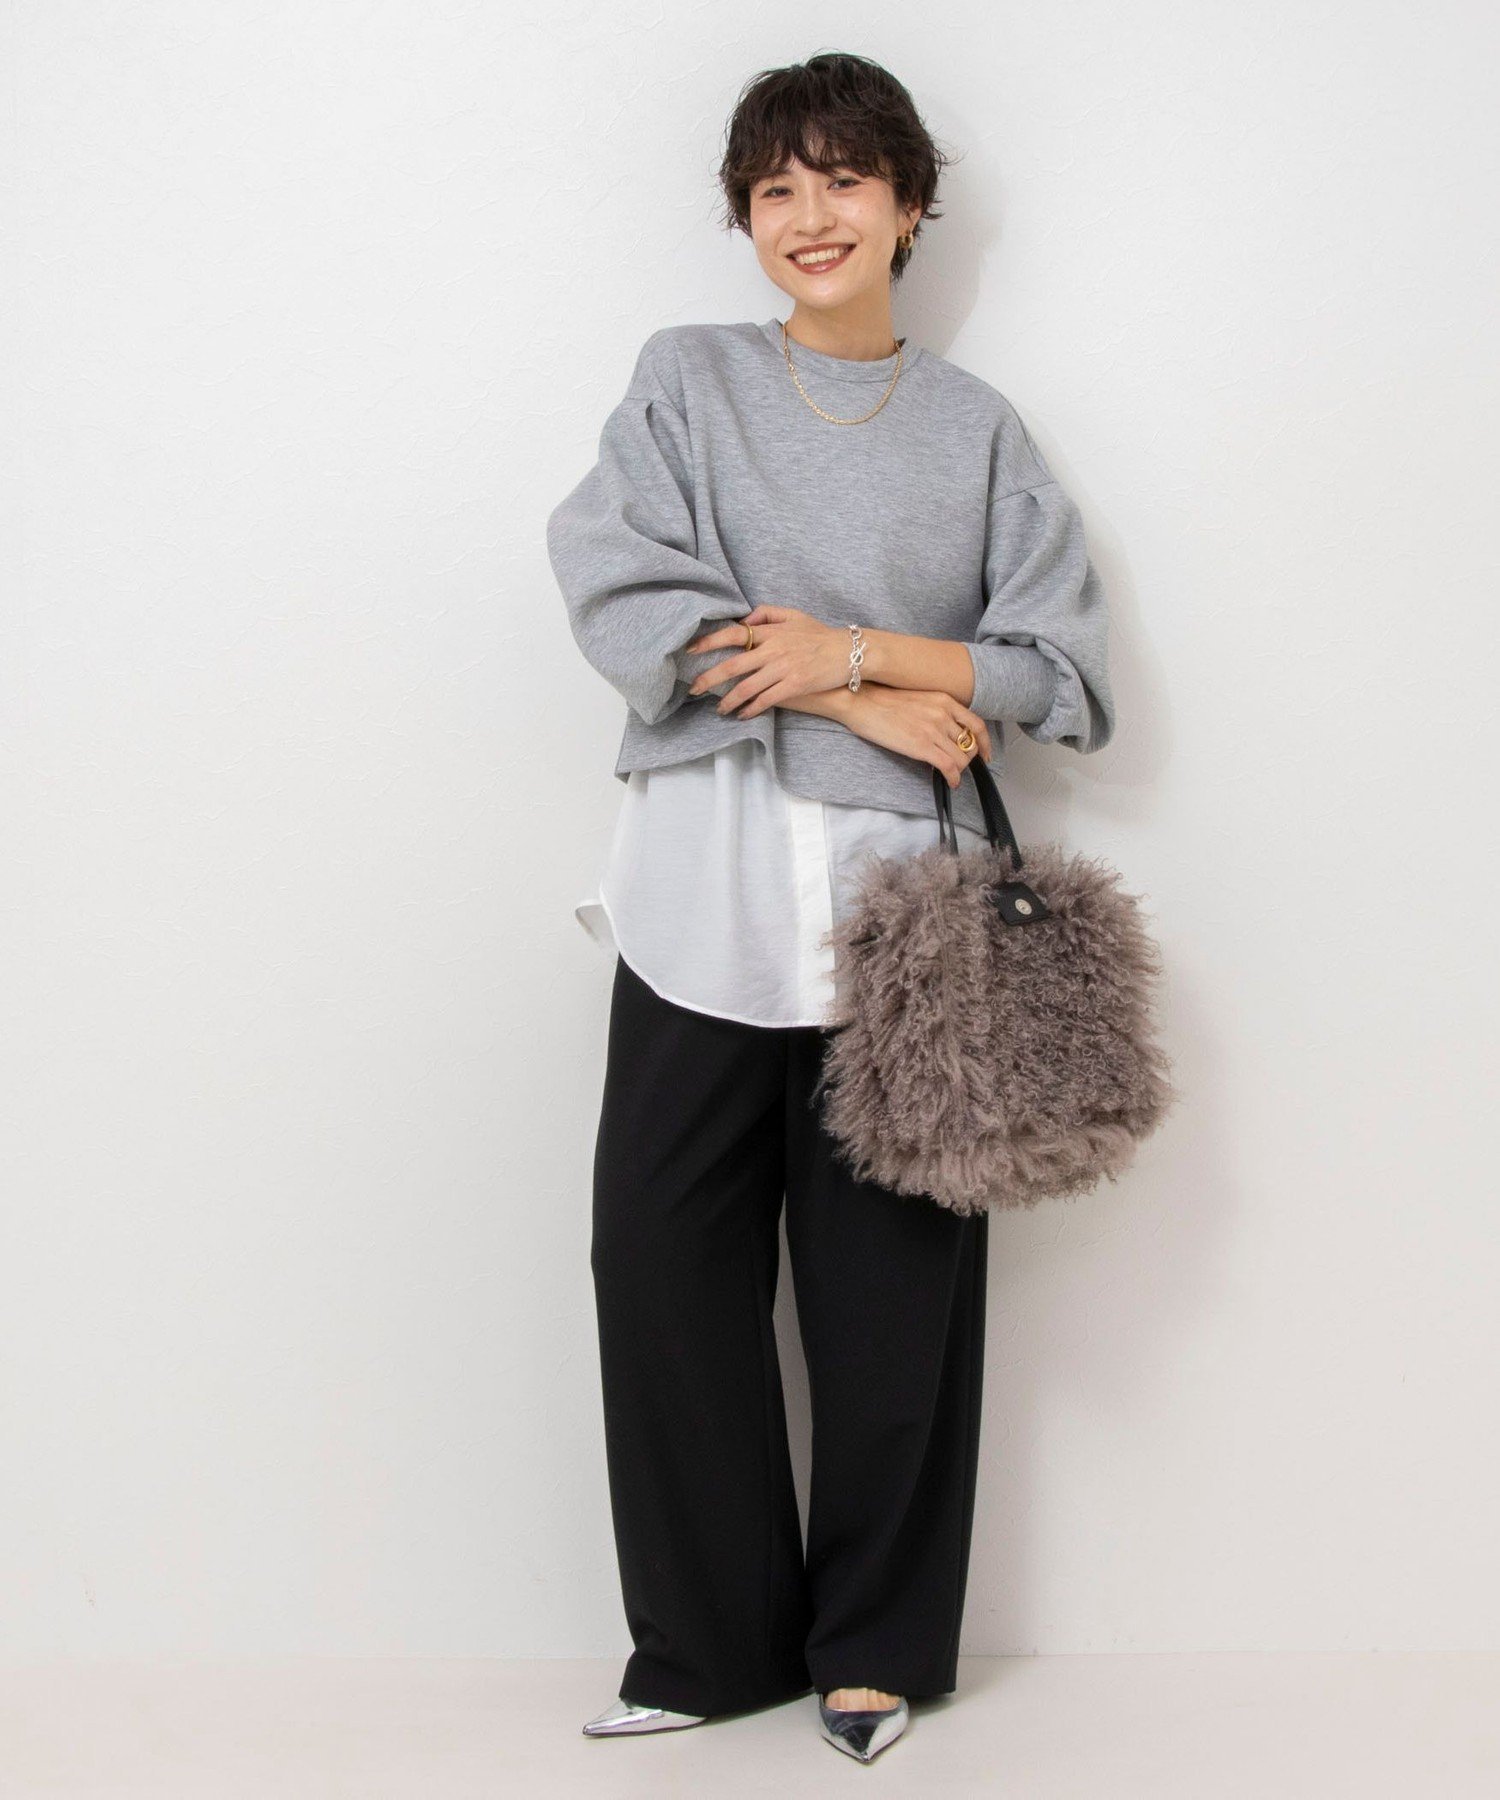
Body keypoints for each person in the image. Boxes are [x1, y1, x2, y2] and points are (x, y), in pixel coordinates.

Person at [545, 51, 1115, 1765]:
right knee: (658, 1263)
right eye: (775, 188)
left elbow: (1060, 675)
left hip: (902, 925)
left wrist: (854, 651)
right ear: (744, 217)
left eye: (846, 179)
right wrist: (860, 698)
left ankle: (875, 1646)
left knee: (891, 1305)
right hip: (700, 893)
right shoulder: (688, 382)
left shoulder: (978, 430)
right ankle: (708, 1644)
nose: (811, 215)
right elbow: (628, 598)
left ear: (910, 205)